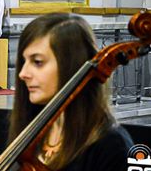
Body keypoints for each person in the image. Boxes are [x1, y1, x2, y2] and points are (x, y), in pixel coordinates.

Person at [9, 13, 133, 170]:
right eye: (24, 61)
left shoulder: (111, 146)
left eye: (37, 62)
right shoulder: (30, 131)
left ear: (71, 66)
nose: (23, 73)